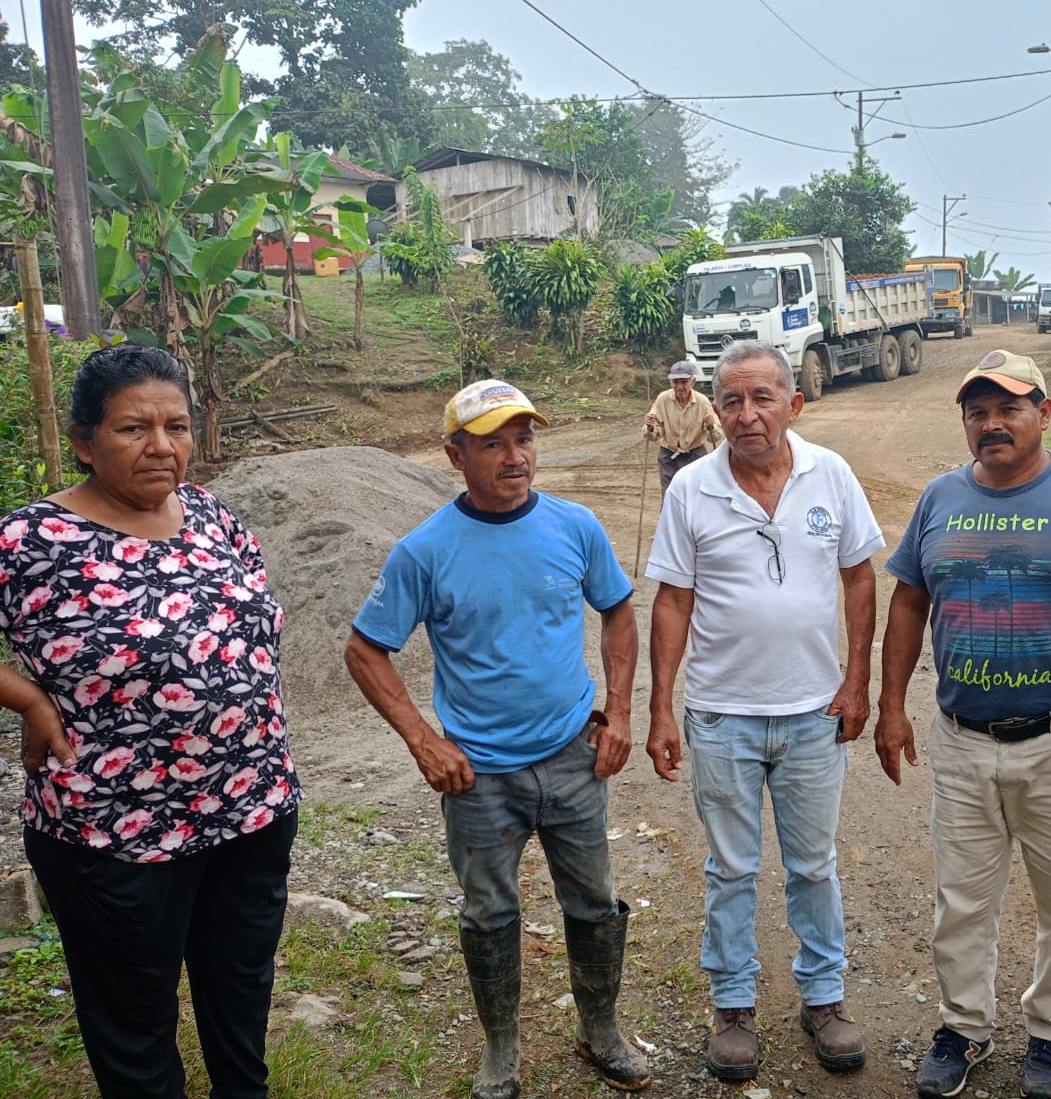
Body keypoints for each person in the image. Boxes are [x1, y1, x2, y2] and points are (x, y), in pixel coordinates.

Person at [0, 343, 300, 1099]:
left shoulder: (210, 515)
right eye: (134, 428)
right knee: (134, 1023)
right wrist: (29, 698)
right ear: (83, 441)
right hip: (115, 829)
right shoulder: (31, 540)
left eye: (177, 426)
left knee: (240, 991)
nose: (162, 446)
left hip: (250, 807)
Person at [345, 379, 648, 1097]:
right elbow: (364, 650)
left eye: (524, 439)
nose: (515, 457)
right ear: (456, 456)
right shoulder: (424, 551)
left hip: (574, 757)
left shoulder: (575, 526)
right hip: (477, 777)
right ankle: (501, 1049)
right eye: (492, 445)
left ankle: (599, 1028)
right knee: (488, 913)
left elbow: (618, 610)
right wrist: (424, 741)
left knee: (595, 902)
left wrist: (620, 711)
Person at [874, 349, 1051, 1099]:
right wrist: (892, 706)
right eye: (977, 412)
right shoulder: (939, 497)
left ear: (1043, 412)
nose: (992, 424)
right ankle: (963, 1026)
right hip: (962, 739)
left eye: (1009, 408)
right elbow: (908, 602)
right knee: (961, 898)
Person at [644, 340, 883, 1082]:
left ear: (794, 404)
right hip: (722, 716)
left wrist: (858, 679)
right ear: (716, 410)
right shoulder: (692, 489)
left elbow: (859, 578)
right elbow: (672, 602)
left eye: (762, 397)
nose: (747, 414)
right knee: (731, 868)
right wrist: (660, 708)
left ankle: (824, 997)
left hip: (814, 712)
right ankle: (733, 1005)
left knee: (814, 864)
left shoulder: (830, 474)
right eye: (733, 400)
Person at [644, 360, 720, 494]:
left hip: (695, 455)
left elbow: (715, 437)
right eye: (675, 382)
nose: (679, 387)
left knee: (696, 493)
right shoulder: (662, 399)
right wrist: (649, 427)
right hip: (669, 455)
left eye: (684, 382)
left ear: (693, 382)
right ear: (670, 382)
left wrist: (710, 426)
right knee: (669, 494)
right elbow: (653, 435)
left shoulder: (702, 401)